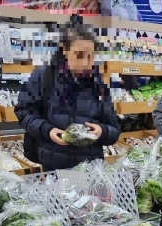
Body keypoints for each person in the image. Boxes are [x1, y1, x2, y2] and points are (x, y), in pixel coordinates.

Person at [15, 21, 120, 172]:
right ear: (64, 49)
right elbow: (24, 113)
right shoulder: (43, 77)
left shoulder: (98, 85)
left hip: (91, 169)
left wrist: (102, 131)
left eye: (90, 57)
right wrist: (47, 130)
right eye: (79, 55)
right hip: (54, 167)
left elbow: (114, 130)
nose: (85, 63)